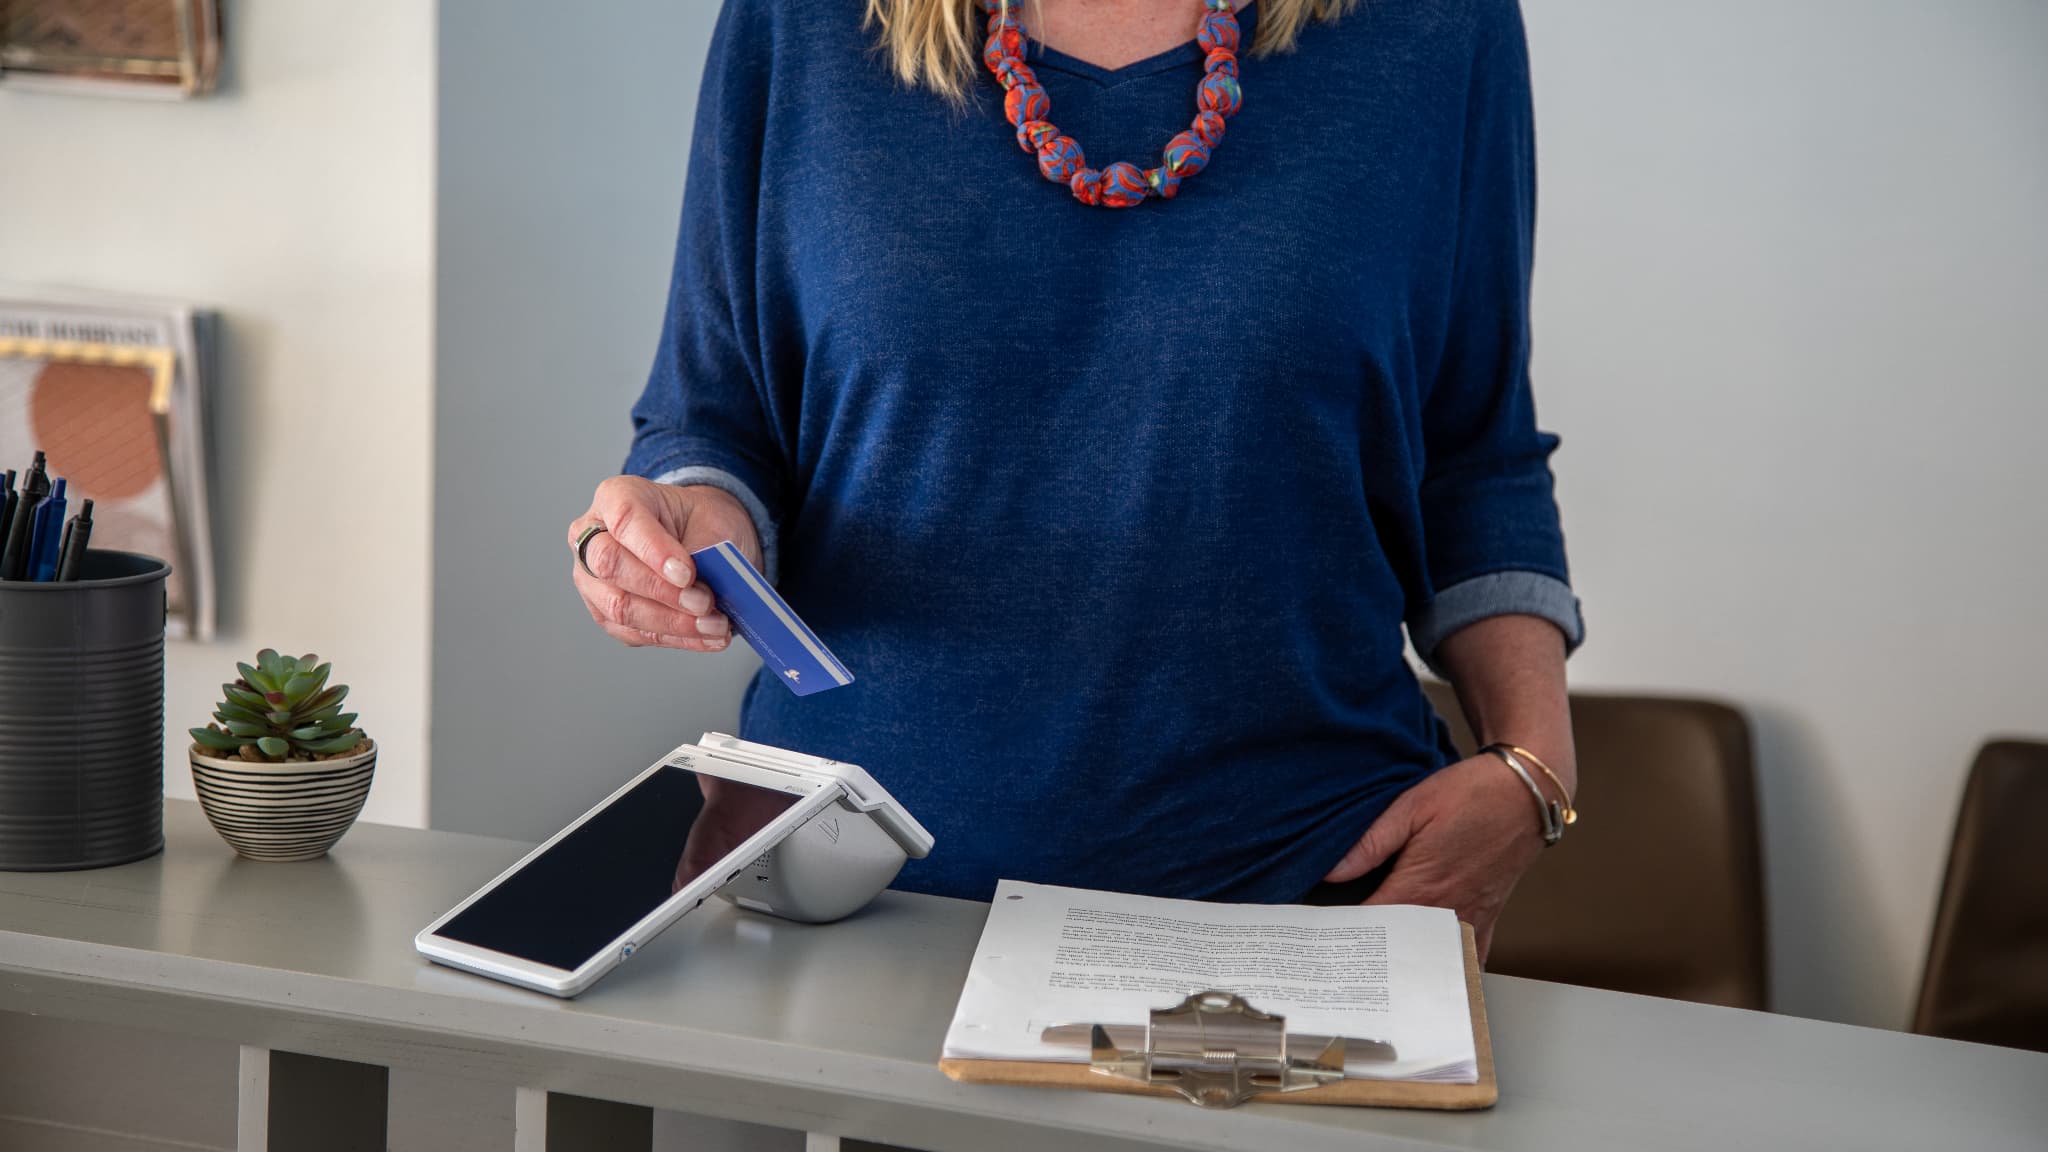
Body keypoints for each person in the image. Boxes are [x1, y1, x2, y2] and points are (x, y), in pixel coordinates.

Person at [569, 0, 1582, 958]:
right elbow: (714, 418)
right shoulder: (798, 22)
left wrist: (1534, 775)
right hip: (853, 894)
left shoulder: (1437, 28)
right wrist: (688, 522)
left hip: (1304, 898)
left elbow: (1472, 455)